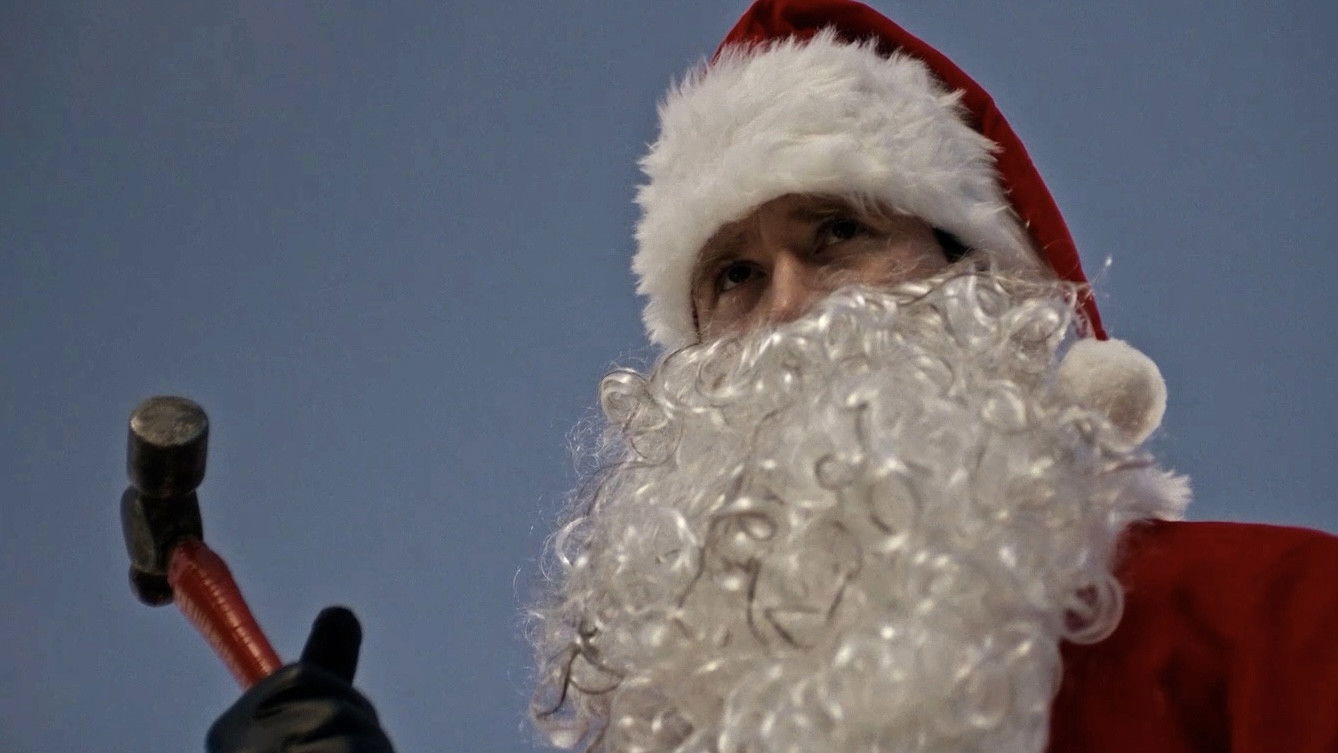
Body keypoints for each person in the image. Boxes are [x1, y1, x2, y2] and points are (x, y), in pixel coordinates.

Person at [205, 2, 1338, 752]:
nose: (790, 305)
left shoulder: (1271, 618)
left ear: (976, 282)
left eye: (839, 232)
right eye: (736, 276)